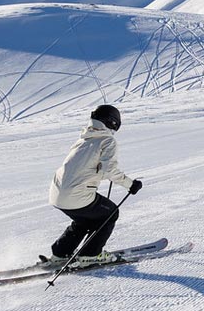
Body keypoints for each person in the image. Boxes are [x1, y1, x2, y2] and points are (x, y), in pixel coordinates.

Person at [44, 103, 144, 264]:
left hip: (57, 194)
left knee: (84, 220)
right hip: (76, 194)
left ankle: (60, 254)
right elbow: (109, 170)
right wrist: (130, 184)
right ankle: (90, 255)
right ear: (113, 122)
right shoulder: (107, 140)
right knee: (110, 213)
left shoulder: (83, 140)